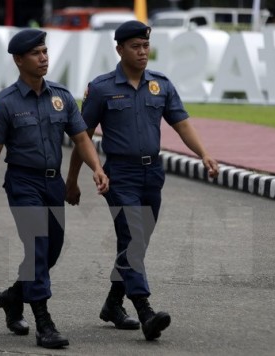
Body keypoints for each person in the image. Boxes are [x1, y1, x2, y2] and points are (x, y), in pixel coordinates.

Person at [66, 20, 219, 341]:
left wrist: (204, 153)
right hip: (120, 174)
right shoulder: (102, 87)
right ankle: (145, 309)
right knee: (134, 238)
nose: (142, 52)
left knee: (137, 241)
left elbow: (182, 124)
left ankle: (112, 304)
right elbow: (83, 136)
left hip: (153, 174)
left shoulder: (160, 85)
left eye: (146, 46)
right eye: (135, 46)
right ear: (119, 49)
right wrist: (73, 179)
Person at [0, 28, 109, 349]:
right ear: (18, 60)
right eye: (36, 53)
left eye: (45, 51)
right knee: (37, 245)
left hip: (53, 183)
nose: (44, 57)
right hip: (23, 182)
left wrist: (98, 168)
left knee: (51, 249)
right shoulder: (4, 103)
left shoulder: (61, 97)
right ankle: (44, 323)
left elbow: (81, 138)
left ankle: (13, 297)